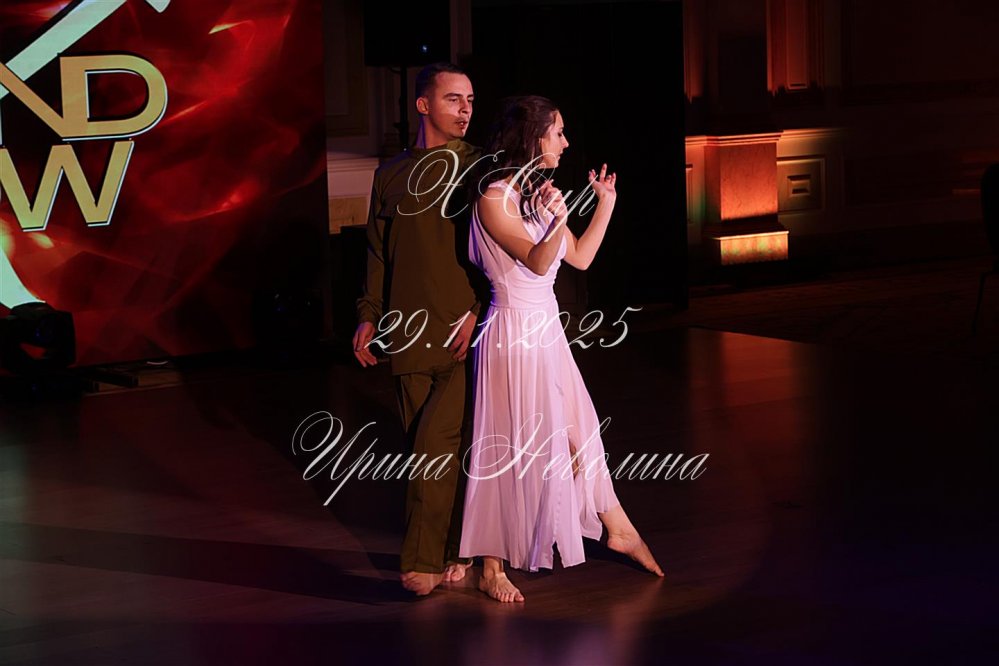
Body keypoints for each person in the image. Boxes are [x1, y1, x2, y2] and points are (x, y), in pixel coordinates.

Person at [458, 96, 664, 603]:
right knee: (510, 443)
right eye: (558, 133)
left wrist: (605, 203)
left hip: (546, 331)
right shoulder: (494, 198)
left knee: (579, 432)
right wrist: (554, 221)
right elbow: (534, 260)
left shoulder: (534, 194)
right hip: (512, 334)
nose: (566, 143)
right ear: (533, 138)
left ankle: (617, 526)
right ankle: (490, 565)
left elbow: (582, 258)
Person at [353, 62, 486, 596]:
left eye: (470, 100)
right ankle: (455, 549)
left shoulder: (480, 168)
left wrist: (479, 310)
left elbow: (498, 253)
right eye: (454, 99)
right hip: (408, 334)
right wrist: (368, 314)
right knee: (425, 451)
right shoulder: (389, 174)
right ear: (423, 105)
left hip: (462, 333)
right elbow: (377, 255)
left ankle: (422, 562)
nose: (465, 109)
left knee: (438, 444)